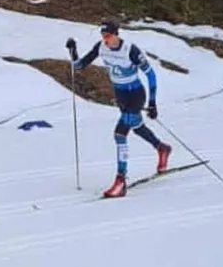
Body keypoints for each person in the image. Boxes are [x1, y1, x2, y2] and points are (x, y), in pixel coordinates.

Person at [65, 20, 172, 198]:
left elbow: (150, 74)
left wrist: (152, 103)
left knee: (120, 133)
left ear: (116, 34)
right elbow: (79, 66)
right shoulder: (100, 47)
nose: (105, 39)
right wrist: (73, 51)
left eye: (107, 36)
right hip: (121, 96)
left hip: (136, 94)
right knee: (137, 127)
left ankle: (120, 181)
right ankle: (161, 148)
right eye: (103, 36)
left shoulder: (131, 50)